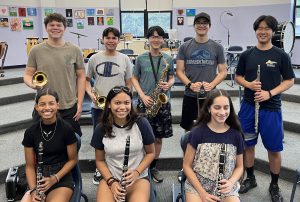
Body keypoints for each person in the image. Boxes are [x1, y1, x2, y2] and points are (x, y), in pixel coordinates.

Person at [235, 15, 295, 202]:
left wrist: (270, 93)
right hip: (248, 107)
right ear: (255, 30)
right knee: (248, 146)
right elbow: (238, 77)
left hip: (271, 109)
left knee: (274, 150)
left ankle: (274, 185)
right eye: (259, 28)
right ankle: (250, 178)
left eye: (267, 28)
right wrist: (249, 85)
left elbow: (289, 81)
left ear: (272, 31)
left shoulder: (281, 55)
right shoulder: (247, 55)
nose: (263, 31)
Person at [23, 13, 86, 137]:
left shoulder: (75, 50)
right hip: (44, 104)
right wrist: (32, 84)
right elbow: (27, 74)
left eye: (59, 25)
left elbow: (81, 76)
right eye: (52, 25)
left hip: (68, 105)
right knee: (41, 140)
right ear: (46, 28)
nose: (55, 27)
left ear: (64, 28)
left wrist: (79, 103)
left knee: (73, 141)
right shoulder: (36, 50)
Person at [90, 86, 155, 202]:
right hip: (111, 178)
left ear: (131, 103)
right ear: (109, 104)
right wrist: (111, 181)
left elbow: (151, 153)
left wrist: (136, 172)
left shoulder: (142, 123)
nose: (122, 107)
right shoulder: (101, 128)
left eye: (126, 103)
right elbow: (99, 161)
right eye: (117, 103)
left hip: (138, 178)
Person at [86, 27, 132, 184]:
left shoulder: (125, 59)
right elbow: (86, 80)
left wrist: (126, 102)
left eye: (114, 38)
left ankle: (115, 167)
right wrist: (90, 93)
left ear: (118, 40)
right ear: (102, 39)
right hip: (98, 106)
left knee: (117, 137)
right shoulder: (94, 58)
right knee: (100, 138)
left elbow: (128, 83)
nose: (111, 40)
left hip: (118, 106)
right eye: (108, 38)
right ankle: (100, 169)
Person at [183, 89, 244, 202]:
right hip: (197, 186)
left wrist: (231, 182)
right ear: (208, 109)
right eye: (217, 107)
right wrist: (202, 193)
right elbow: (186, 166)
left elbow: (240, 167)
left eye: (226, 107)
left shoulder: (236, 135)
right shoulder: (197, 133)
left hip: (225, 187)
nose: (222, 112)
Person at [131, 25, 175, 183]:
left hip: (161, 102)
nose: (156, 39)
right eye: (153, 37)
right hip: (145, 102)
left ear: (163, 39)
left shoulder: (168, 59)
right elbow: (134, 79)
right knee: (142, 137)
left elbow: (172, 77)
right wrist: (141, 96)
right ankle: (141, 167)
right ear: (148, 39)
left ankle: (153, 167)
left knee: (158, 138)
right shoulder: (141, 58)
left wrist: (169, 84)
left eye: (159, 37)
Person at [21, 88, 78, 202]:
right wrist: (33, 190)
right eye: (42, 104)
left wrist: (54, 179)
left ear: (57, 105)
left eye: (51, 103)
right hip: (38, 178)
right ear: (36, 107)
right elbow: (29, 166)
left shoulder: (67, 129)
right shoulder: (30, 132)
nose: (47, 108)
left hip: (60, 177)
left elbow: (73, 160)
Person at [176, 12, 227, 132]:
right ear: (194, 26)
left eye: (205, 23)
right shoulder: (184, 47)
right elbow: (179, 71)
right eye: (198, 23)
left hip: (210, 96)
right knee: (189, 132)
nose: (201, 25)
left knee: (211, 129)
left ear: (209, 26)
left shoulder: (217, 47)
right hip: (190, 95)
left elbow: (223, 72)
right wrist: (190, 85)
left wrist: (212, 84)